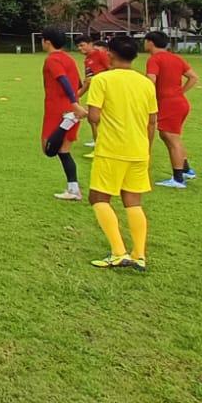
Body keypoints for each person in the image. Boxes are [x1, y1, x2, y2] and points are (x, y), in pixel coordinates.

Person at [84, 35, 157, 271]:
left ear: (110, 54)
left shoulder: (103, 80)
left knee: (98, 198)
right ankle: (139, 255)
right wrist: (147, 148)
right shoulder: (146, 83)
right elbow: (152, 120)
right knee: (133, 202)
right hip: (139, 150)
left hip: (112, 149)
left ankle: (118, 252)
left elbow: (94, 116)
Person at [144, 32, 200, 189]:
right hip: (180, 103)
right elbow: (193, 77)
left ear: (150, 42)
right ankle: (187, 170)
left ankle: (178, 178)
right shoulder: (175, 58)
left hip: (169, 104)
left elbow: (150, 81)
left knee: (171, 138)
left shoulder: (154, 59)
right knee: (169, 136)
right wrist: (180, 92)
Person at [40, 28, 84, 201]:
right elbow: (78, 83)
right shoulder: (69, 59)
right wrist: (75, 102)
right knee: (64, 151)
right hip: (70, 108)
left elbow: (63, 80)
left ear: (47, 41)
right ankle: (73, 189)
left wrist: (72, 103)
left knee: (48, 149)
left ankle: (67, 121)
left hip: (57, 109)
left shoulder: (53, 60)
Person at [77, 34, 111, 150]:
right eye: (78, 46)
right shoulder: (87, 60)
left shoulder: (100, 54)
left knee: (96, 118)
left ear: (90, 44)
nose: (80, 49)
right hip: (95, 92)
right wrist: (76, 96)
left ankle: (101, 144)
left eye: (82, 45)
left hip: (105, 91)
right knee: (92, 119)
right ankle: (97, 141)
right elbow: (88, 81)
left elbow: (111, 70)